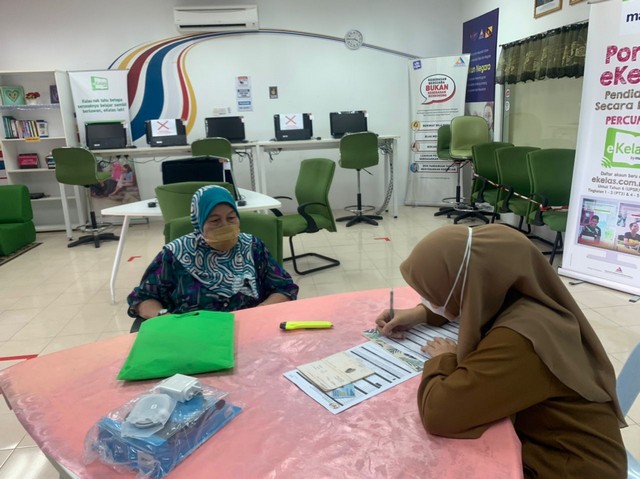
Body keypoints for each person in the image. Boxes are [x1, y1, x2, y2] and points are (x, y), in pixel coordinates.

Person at [375, 224, 627, 479]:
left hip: (567, 468)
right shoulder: (521, 294)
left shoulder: (522, 338)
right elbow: (472, 303)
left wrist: (444, 359)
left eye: (434, 294)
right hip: (555, 450)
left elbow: (439, 414)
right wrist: (421, 314)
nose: (430, 300)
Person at [127, 185, 299, 331]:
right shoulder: (176, 254)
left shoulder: (252, 246)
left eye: (231, 218)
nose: (225, 226)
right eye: (215, 220)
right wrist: (166, 318)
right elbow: (142, 298)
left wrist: (259, 311)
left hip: (250, 330)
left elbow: (284, 288)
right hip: (194, 336)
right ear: (199, 222)